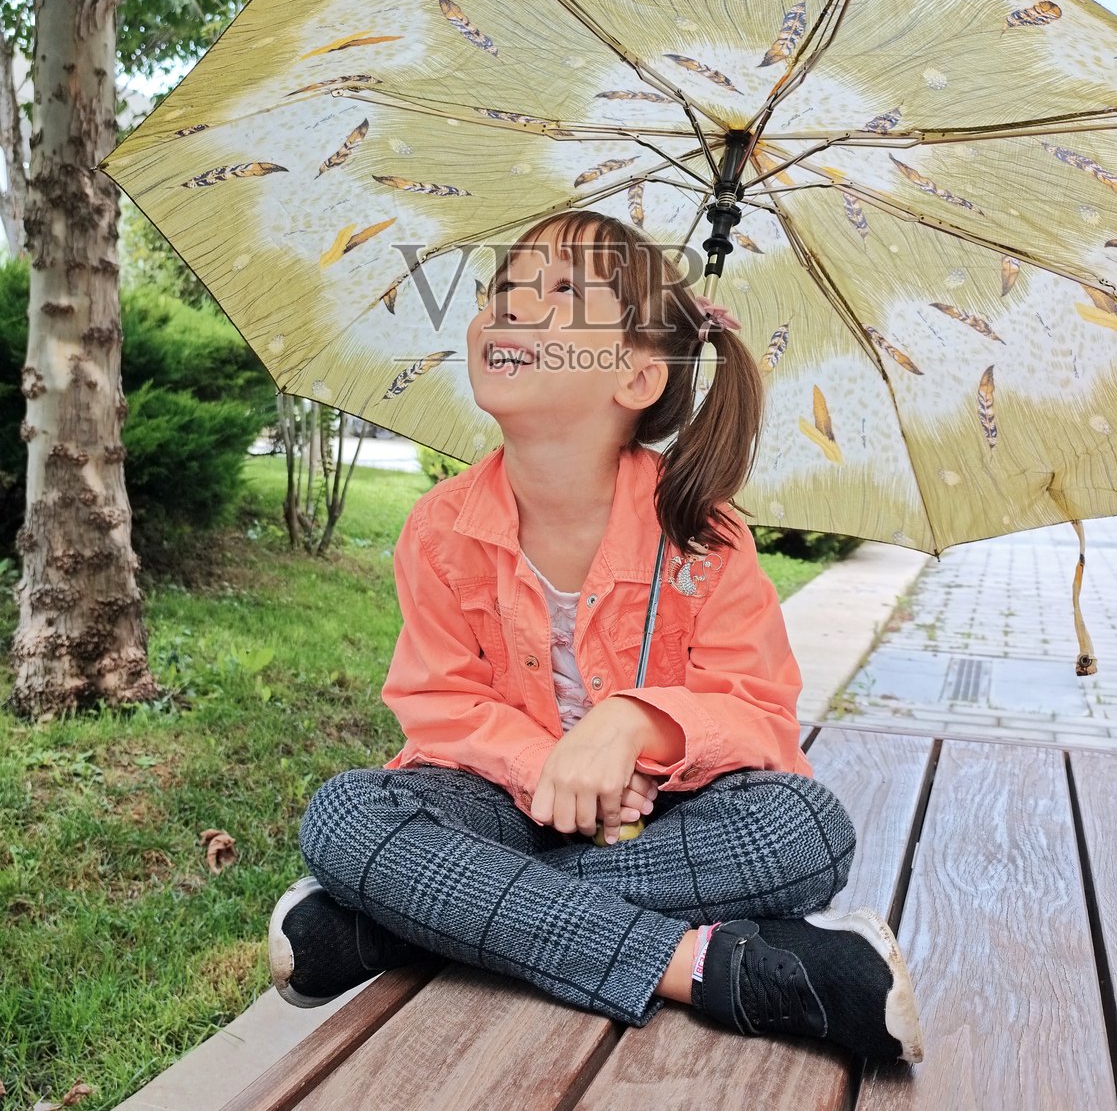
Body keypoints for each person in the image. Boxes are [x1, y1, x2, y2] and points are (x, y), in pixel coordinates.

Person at [268, 209, 924, 1065]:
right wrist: (547, 766)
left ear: (637, 377)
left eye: (562, 293)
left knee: (805, 830)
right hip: (499, 808)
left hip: (663, 822)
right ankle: (709, 967)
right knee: (347, 816)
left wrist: (634, 726)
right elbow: (440, 703)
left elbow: (757, 715)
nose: (509, 307)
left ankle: (408, 925)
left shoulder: (703, 536)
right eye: (502, 288)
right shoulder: (440, 530)